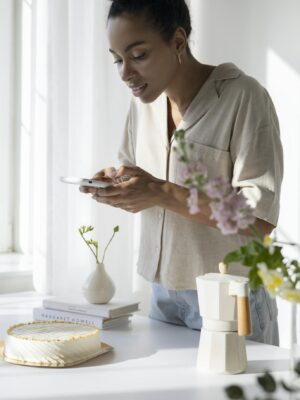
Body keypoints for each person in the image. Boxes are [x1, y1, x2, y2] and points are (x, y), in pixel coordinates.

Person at [81, 0, 283, 345]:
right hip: (162, 293)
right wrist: (118, 185)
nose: (125, 73)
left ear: (178, 41)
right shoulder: (143, 102)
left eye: (138, 55)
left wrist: (161, 191)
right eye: (117, 59)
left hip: (230, 296)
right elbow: (138, 176)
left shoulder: (244, 98)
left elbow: (258, 218)